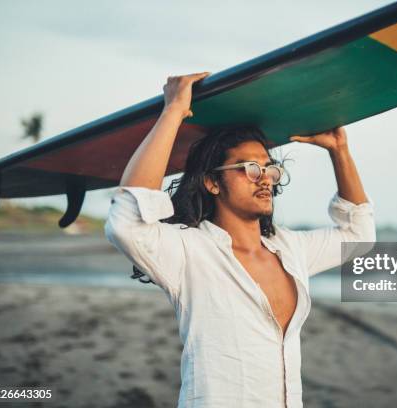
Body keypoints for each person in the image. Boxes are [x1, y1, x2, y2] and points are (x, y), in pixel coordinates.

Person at [104, 72, 376, 407]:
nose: (264, 179)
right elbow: (127, 221)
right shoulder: (190, 251)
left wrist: (340, 150)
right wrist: (173, 111)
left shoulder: (290, 249)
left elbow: (359, 235)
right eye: (248, 168)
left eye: (269, 169)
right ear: (212, 183)